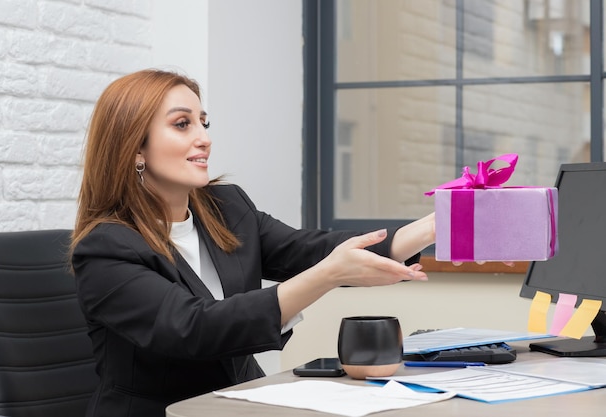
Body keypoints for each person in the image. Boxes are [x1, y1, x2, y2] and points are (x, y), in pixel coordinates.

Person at [70, 69, 435, 417]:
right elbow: (194, 328)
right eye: (183, 124)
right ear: (135, 148)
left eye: (203, 122)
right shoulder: (105, 249)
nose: (204, 138)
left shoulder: (226, 209)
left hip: (238, 404)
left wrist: (436, 227)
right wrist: (325, 276)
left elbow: (313, 249)